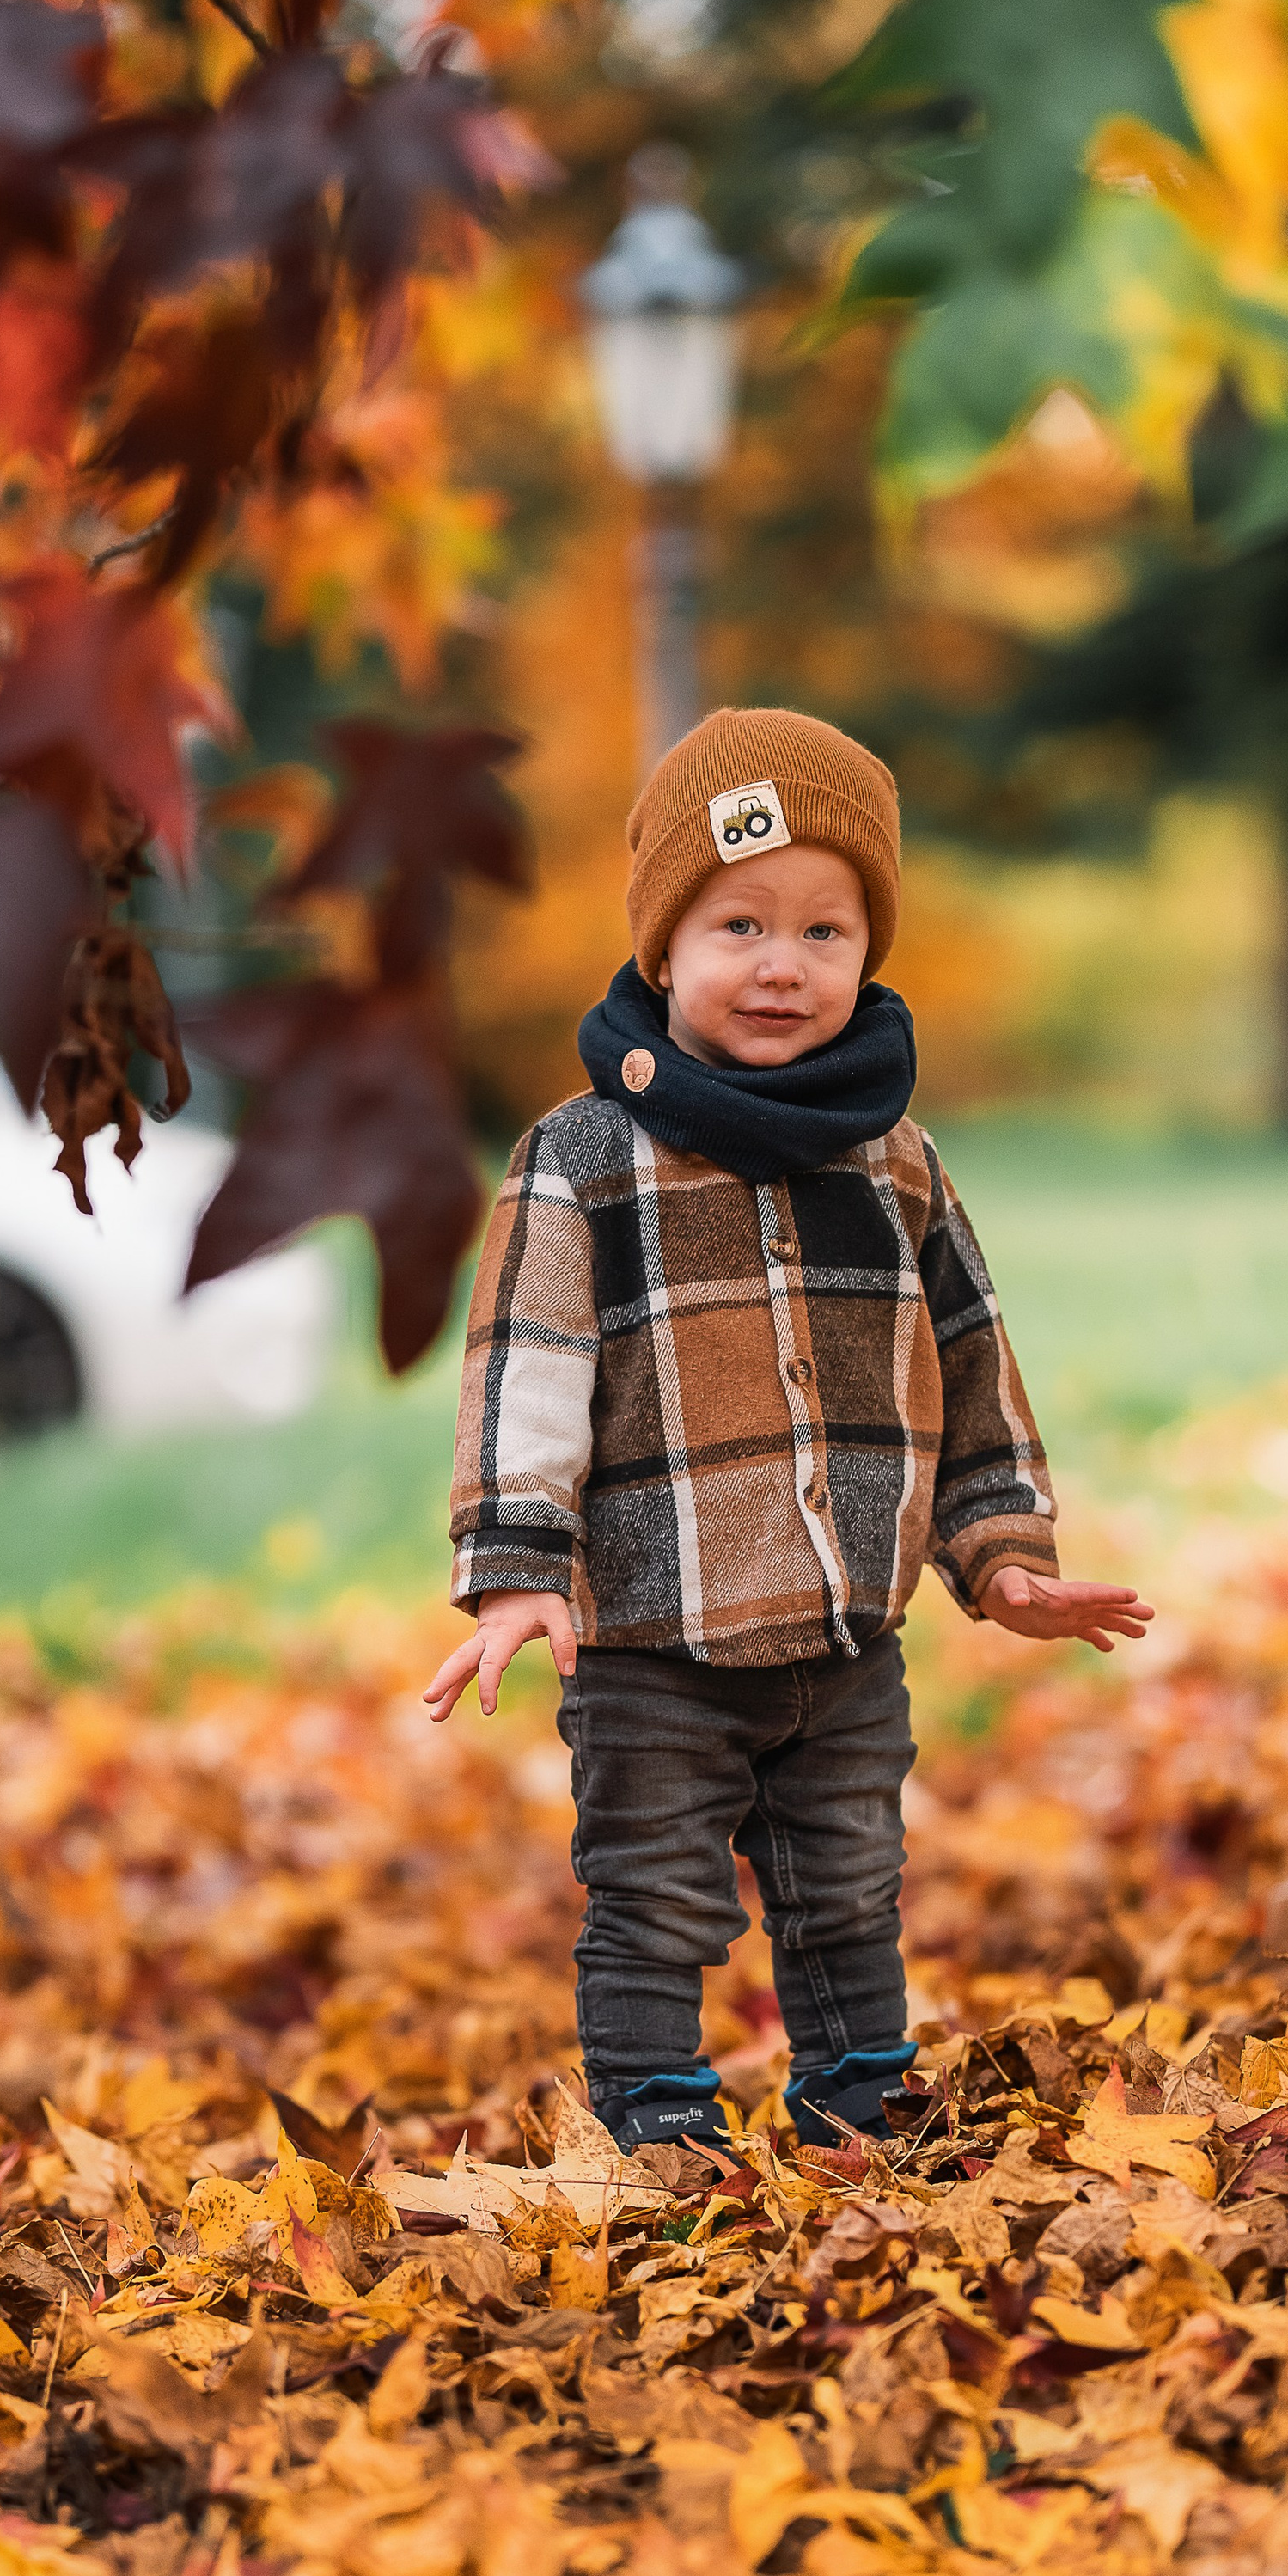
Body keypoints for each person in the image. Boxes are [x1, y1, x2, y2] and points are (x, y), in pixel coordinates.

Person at [425, 707, 1151, 2157]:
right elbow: (527, 1368)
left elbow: (967, 1358)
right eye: (740, 923)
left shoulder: (894, 1156)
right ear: (664, 949)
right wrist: (519, 1565)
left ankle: (857, 2097)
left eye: (826, 931)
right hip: (653, 1635)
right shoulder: (584, 1159)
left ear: (867, 953)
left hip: (844, 1633)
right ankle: (656, 2116)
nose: (781, 963)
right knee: (655, 1884)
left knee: (848, 1874)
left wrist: (1002, 1553)